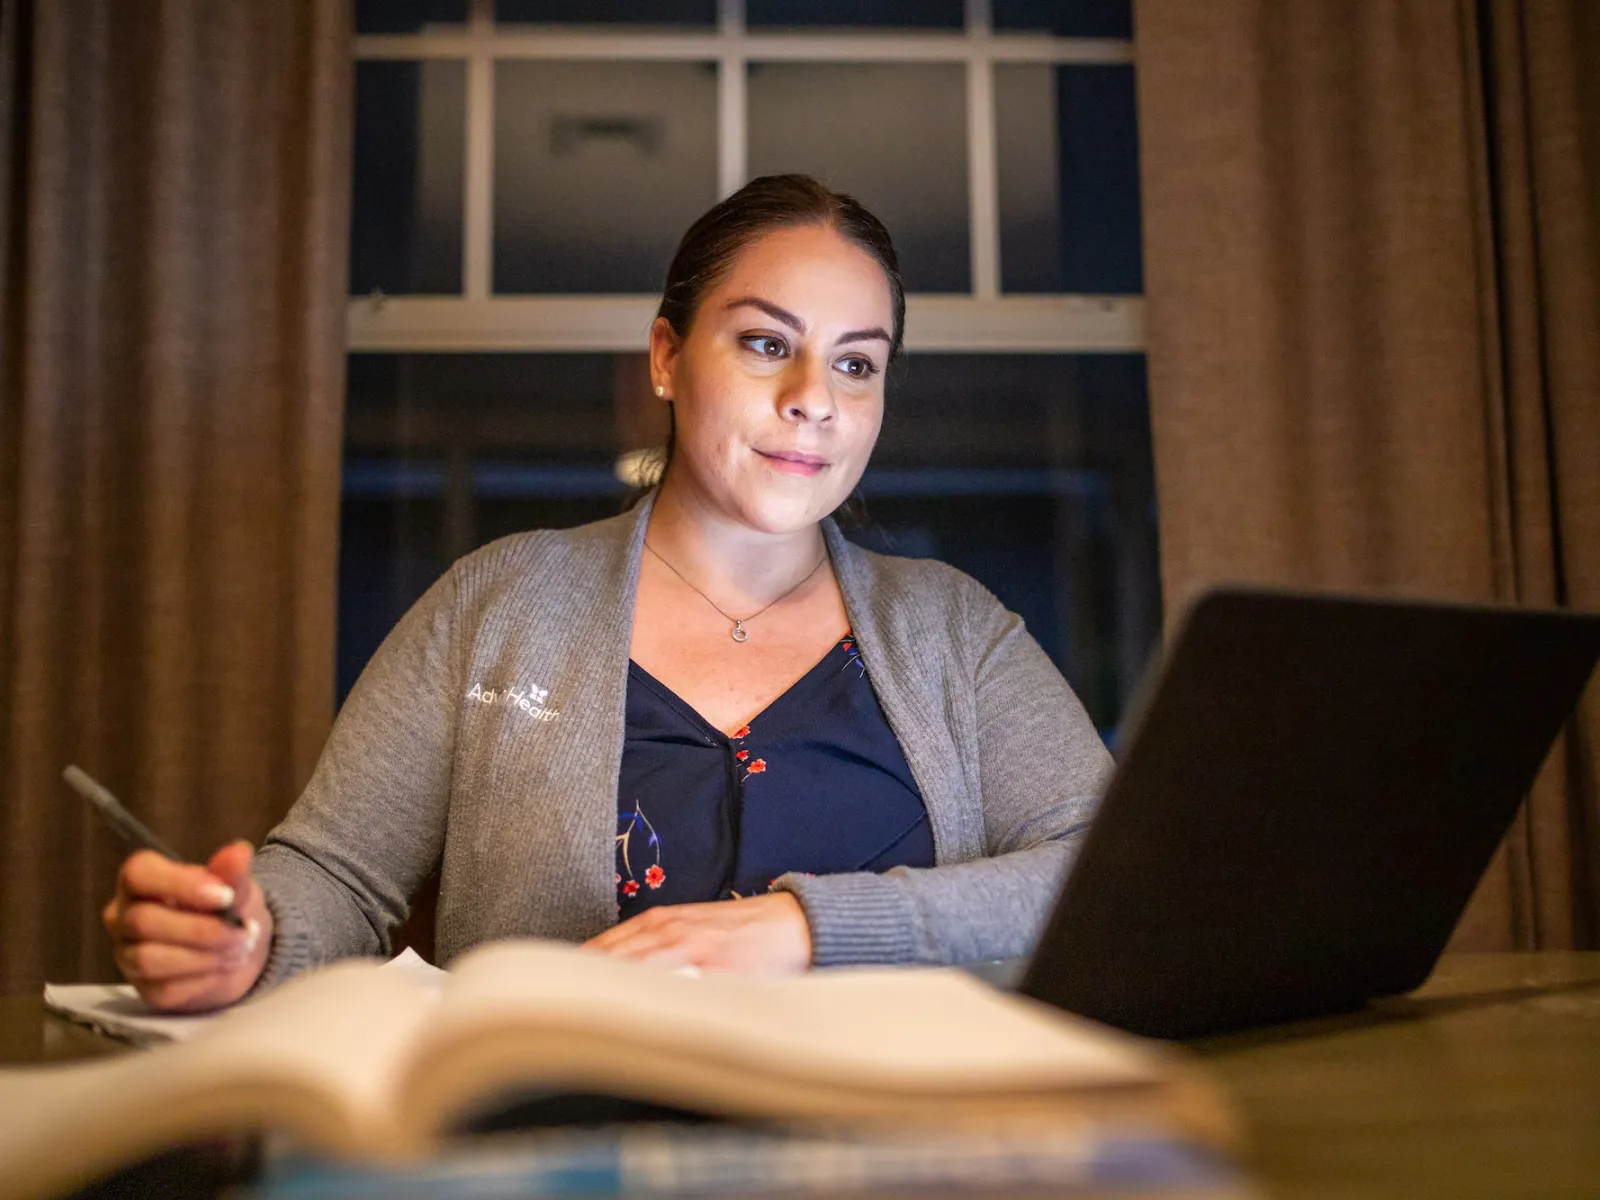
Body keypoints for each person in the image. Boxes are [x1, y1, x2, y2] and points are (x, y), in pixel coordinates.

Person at [102, 174, 1112, 1013]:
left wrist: (804, 927)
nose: (813, 396)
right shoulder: (493, 606)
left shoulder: (957, 629)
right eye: (767, 343)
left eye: (856, 363)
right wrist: (247, 938)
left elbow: (1102, 869)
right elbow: (334, 876)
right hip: (552, 1151)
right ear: (667, 359)